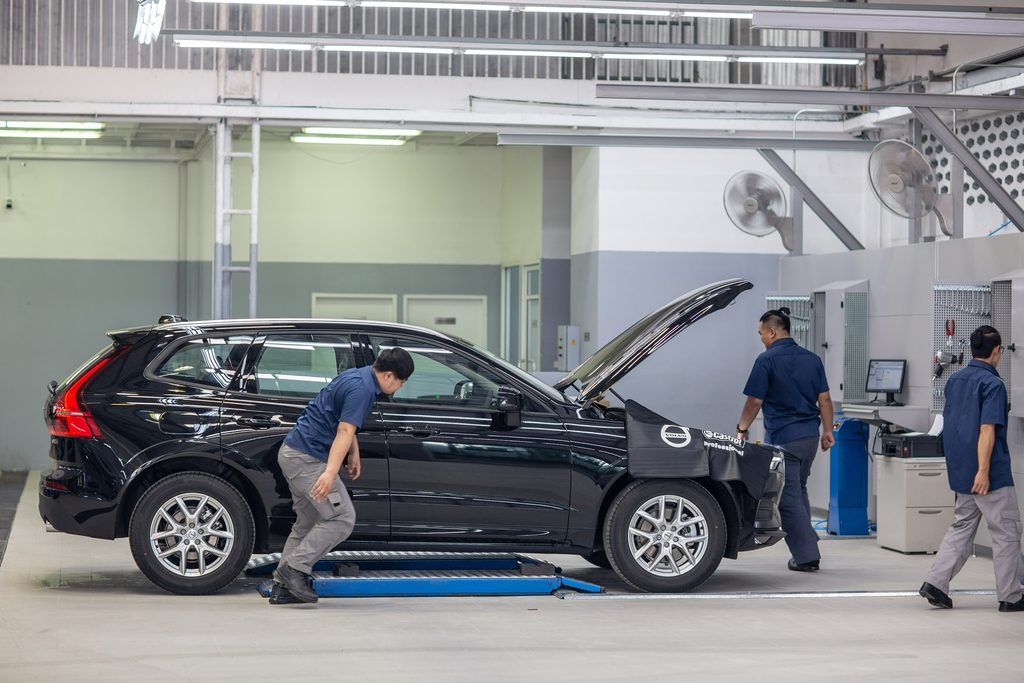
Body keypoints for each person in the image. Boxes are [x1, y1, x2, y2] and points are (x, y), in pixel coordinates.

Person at [271, 347, 415, 605]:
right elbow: (345, 429)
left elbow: (345, 423)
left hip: (293, 452)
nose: (400, 387)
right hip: (308, 459)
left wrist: (353, 453)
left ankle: (284, 588)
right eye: (402, 382)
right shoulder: (363, 390)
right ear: (390, 376)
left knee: (307, 520)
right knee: (342, 518)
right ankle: (294, 569)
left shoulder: (358, 376)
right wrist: (329, 472)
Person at [920, 325, 1024, 612]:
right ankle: (1011, 596)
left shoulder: (956, 380)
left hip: (961, 468)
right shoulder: (993, 385)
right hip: (989, 474)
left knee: (962, 527)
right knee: (1006, 532)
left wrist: (970, 470)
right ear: (997, 351)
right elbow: (987, 429)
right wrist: (983, 471)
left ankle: (936, 583)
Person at [736, 308, 834, 573]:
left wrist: (742, 428)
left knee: (786, 497)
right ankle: (809, 538)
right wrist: (828, 431)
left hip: (784, 439)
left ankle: (806, 556)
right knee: (798, 488)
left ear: (772, 331)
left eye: (761, 334)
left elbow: (755, 400)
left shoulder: (766, 360)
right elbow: (824, 399)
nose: (761, 339)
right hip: (809, 439)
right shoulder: (813, 359)